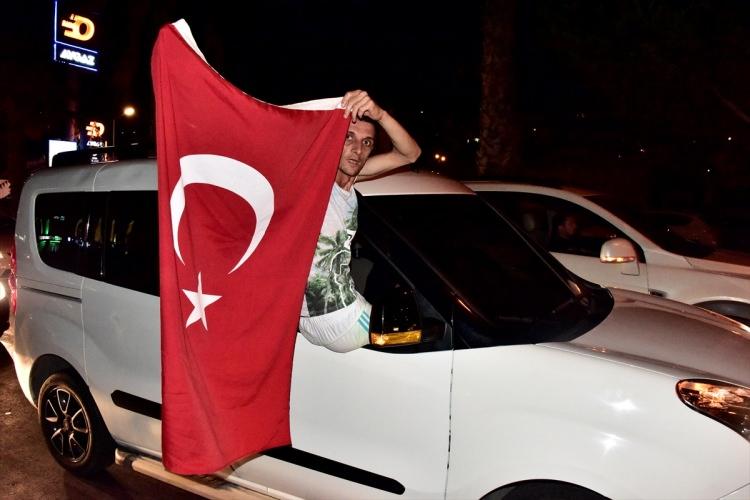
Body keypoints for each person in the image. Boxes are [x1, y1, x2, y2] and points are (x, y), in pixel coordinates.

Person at [299, 90, 421, 353]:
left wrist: (380, 114)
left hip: (338, 304)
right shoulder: (315, 178)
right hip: (332, 317)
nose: (358, 150)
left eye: (367, 143)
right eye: (349, 137)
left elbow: (410, 154)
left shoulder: (353, 177)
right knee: (419, 337)